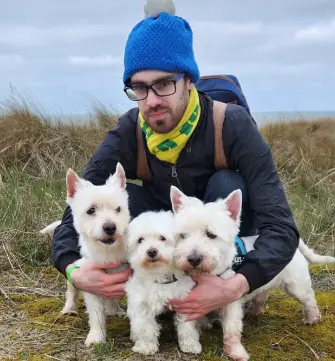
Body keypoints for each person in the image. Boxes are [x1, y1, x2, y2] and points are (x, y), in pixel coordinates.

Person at [52, 1, 299, 321]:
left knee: (228, 183)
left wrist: (236, 285)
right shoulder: (130, 129)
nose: (151, 101)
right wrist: (73, 268)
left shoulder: (232, 125)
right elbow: (80, 203)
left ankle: (214, 291)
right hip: (162, 246)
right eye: (139, 88)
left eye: (164, 84)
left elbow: (281, 227)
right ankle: (155, 287)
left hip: (222, 251)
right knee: (125, 199)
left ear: (189, 80)